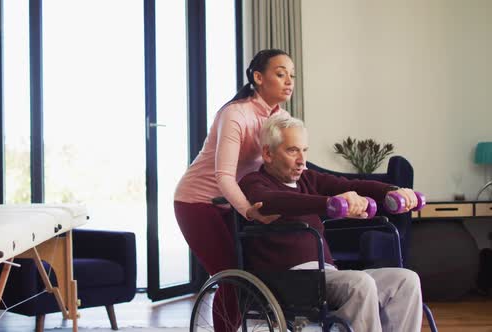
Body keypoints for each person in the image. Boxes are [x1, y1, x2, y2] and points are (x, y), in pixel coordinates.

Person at [238, 112, 423, 332]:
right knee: (360, 284)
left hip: (327, 274)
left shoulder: (308, 178)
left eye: (304, 150)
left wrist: (392, 190)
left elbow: (351, 184)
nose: (301, 160)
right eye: (292, 150)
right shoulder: (254, 182)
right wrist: (329, 204)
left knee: (406, 281)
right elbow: (272, 201)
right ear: (268, 154)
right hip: (289, 279)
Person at [174, 49, 294, 331]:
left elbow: (288, 168)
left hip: (231, 202)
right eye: (280, 74)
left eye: (292, 75)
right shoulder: (236, 115)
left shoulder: (281, 117)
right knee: (231, 275)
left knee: (251, 271)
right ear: (258, 77)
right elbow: (224, 176)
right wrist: (250, 211)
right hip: (197, 202)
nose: (289, 81)